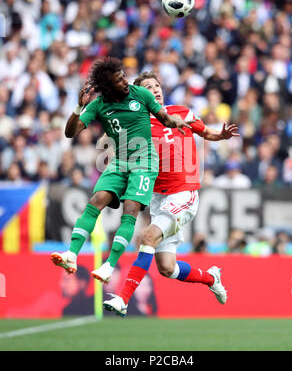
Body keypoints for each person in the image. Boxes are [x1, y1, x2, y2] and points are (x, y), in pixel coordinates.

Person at [103, 71, 240, 316]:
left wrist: (221, 135)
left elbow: (205, 132)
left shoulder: (181, 112)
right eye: (148, 87)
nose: (155, 89)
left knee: (147, 238)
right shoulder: (136, 125)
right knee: (166, 268)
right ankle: (211, 278)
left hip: (183, 194)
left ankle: (123, 298)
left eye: (157, 85)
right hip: (158, 198)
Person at [51, 57, 193, 282]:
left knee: (130, 211)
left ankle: (109, 266)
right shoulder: (98, 105)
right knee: (96, 201)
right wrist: (79, 107)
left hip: (145, 163)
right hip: (119, 162)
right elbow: (71, 132)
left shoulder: (141, 94)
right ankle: (71, 254)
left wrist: (176, 122)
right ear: (107, 87)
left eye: (123, 76)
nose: (125, 81)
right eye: (118, 80)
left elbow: (164, 118)